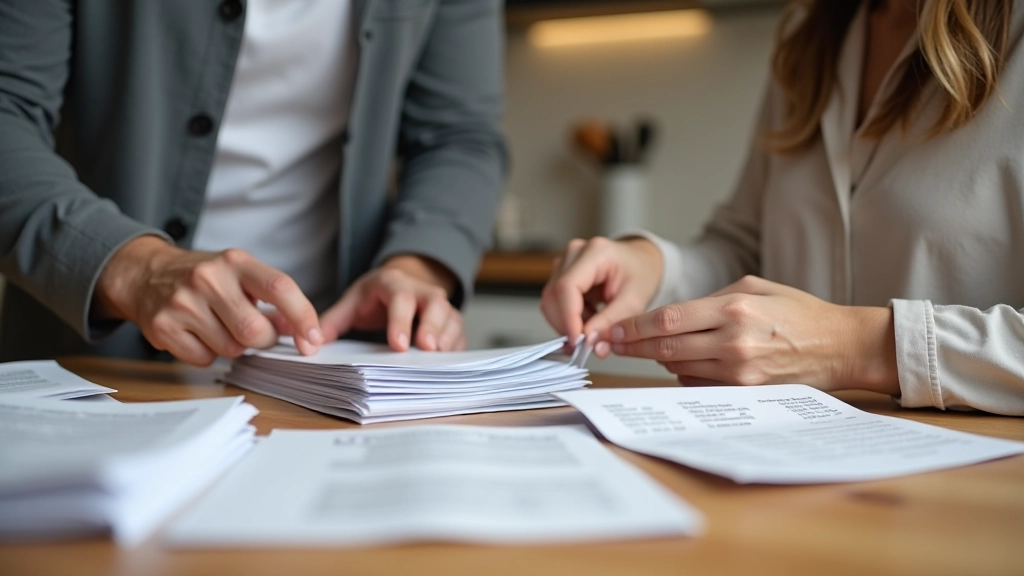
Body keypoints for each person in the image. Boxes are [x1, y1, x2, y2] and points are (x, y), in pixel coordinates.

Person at [541, 0, 1024, 416]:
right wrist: (651, 266)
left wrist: (857, 347)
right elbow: (746, 249)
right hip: (797, 459)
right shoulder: (809, 40)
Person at [0, 0, 506, 365]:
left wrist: (416, 268)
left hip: (325, 368)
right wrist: (135, 269)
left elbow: (458, 137)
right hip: (87, 358)